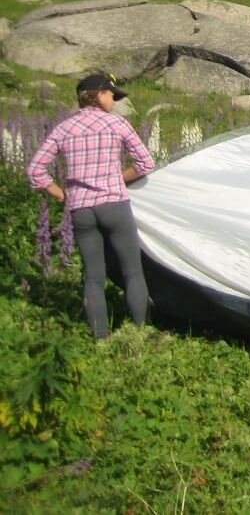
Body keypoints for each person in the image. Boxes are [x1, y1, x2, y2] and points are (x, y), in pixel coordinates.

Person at [26, 74, 156, 339]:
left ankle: (99, 340)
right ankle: (141, 334)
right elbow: (145, 163)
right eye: (111, 95)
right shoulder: (117, 124)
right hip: (113, 205)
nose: (114, 100)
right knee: (132, 271)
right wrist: (114, 179)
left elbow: (35, 171)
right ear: (95, 95)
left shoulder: (63, 128)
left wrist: (63, 195)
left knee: (93, 277)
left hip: (81, 210)